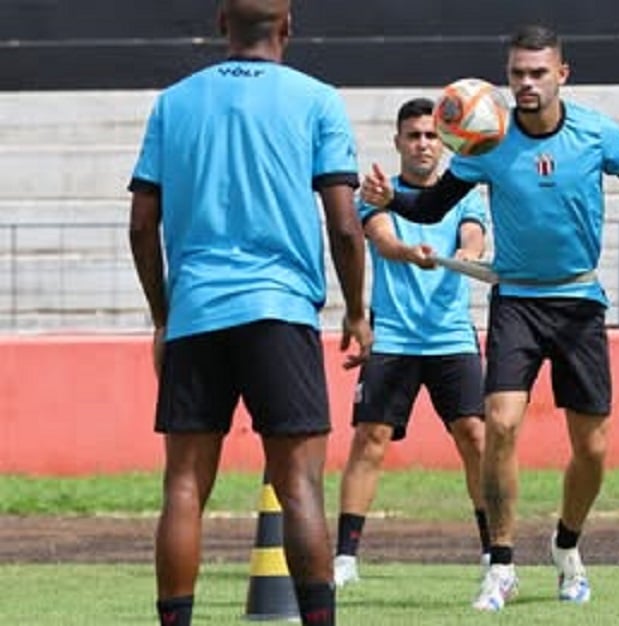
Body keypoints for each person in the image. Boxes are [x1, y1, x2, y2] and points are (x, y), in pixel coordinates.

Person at [361, 24, 619, 612]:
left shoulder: (595, 133)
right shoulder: (487, 143)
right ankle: (500, 565)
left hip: (579, 303)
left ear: (562, 74)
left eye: (537, 73)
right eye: (516, 75)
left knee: (594, 447)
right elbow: (429, 204)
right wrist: (389, 200)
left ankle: (566, 546)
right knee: (499, 424)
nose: (525, 84)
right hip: (518, 302)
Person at [127, 1, 371, 625]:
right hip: (280, 310)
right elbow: (345, 226)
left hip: (197, 313)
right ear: (288, 28)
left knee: (184, 487)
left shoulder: (173, 102)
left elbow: (142, 223)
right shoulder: (317, 99)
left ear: (220, 26)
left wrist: (163, 315)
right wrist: (356, 311)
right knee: (299, 488)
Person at [332, 97, 491, 587]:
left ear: (443, 142)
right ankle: (345, 560)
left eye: (430, 135)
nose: (423, 144)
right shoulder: (378, 195)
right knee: (370, 441)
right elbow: (381, 240)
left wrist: (463, 254)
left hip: (450, 338)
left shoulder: (464, 192)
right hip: (395, 338)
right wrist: (410, 252)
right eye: (413, 136)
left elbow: (473, 238)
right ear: (398, 142)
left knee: (476, 438)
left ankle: (493, 551)